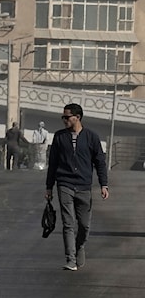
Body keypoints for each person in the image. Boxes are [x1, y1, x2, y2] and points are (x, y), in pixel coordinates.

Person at [45, 103, 109, 271]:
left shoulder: (91, 137)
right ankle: (70, 259)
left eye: (67, 117)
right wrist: (49, 187)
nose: (64, 120)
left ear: (77, 117)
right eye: (63, 117)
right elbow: (52, 164)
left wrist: (104, 184)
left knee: (84, 225)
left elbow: (100, 162)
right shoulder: (59, 137)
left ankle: (79, 246)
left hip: (84, 186)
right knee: (68, 223)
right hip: (64, 183)